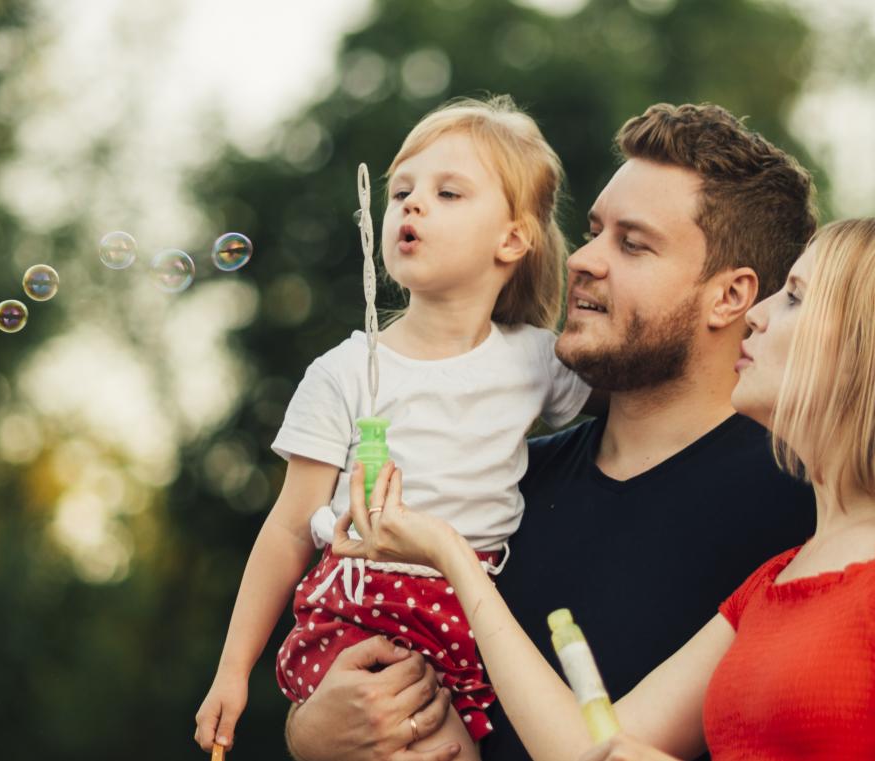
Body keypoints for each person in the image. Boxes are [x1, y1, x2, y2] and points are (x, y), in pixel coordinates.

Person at [285, 104, 875, 761]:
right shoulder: (497, 481)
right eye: (593, 230)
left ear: (731, 296)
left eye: (632, 243)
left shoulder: (808, 503)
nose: (584, 262)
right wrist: (313, 728)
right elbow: (591, 742)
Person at [193, 94, 592, 759]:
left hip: (468, 617)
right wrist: (233, 669)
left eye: (448, 192)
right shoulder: (343, 371)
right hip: (355, 607)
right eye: (401, 190)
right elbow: (292, 526)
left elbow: (632, 400)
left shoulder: (535, 358)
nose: (411, 204)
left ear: (513, 239)